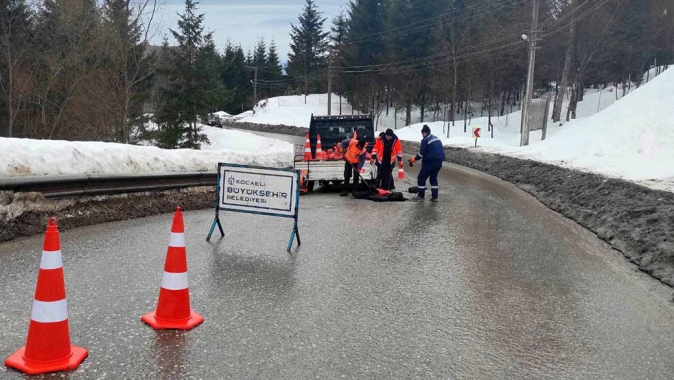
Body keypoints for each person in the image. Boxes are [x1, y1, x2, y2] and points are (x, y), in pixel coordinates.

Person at [409, 125, 445, 202]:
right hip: (439, 162)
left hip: (430, 162)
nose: (422, 135)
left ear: (424, 132)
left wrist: (414, 159)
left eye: (422, 133)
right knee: (433, 178)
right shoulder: (436, 138)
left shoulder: (425, 140)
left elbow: (421, 154)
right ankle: (435, 197)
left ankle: (421, 196)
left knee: (421, 178)